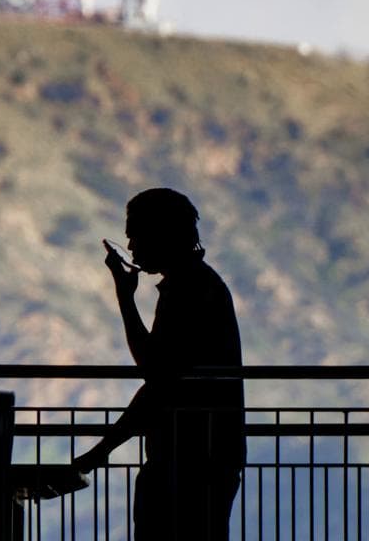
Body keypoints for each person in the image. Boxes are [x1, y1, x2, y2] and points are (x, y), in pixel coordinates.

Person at [73, 188, 245, 540]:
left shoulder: (187, 291)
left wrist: (125, 298)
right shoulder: (199, 284)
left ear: (161, 235)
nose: (131, 247)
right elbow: (161, 376)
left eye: (136, 236)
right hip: (208, 457)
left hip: (187, 462)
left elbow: (157, 375)